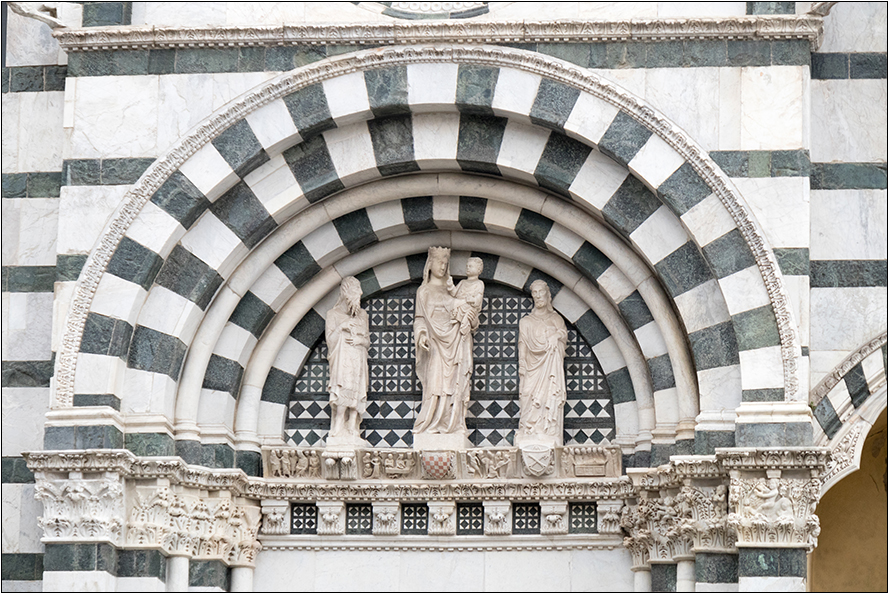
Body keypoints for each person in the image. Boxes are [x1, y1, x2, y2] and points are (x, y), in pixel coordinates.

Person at [413, 247, 479, 435]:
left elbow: (471, 315)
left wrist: (469, 318)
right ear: (430, 264)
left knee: (456, 382)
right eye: (439, 262)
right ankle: (432, 421)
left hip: (457, 341)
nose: (442, 267)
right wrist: (422, 335)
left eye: (445, 263)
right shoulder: (423, 291)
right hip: (435, 343)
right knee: (435, 382)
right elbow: (419, 319)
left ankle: (453, 422)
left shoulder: (454, 291)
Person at [517, 280, 568, 446]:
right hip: (531, 367)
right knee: (527, 394)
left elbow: (563, 334)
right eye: (535, 293)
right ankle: (528, 429)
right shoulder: (526, 321)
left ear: (548, 295)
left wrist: (556, 336)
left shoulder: (555, 319)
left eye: (541, 292)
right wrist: (522, 363)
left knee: (549, 394)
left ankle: (548, 429)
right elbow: (522, 344)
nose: (538, 296)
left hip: (550, 364)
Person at [325, 276, 370, 441]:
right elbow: (330, 341)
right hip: (342, 359)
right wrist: (341, 327)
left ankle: (352, 425)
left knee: (358, 388)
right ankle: (339, 423)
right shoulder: (333, 314)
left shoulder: (362, 315)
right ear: (345, 291)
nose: (361, 292)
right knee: (344, 385)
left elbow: (367, 341)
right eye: (356, 289)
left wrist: (360, 340)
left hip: (358, 358)